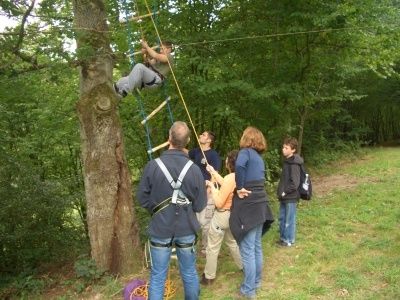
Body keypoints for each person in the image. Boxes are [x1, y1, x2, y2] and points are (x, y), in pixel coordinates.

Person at [136, 121, 207, 300]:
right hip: (186, 228)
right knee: (189, 273)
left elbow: (142, 199)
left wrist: (158, 211)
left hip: (160, 228)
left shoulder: (153, 166)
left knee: (158, 276)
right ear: (188, 140)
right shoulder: (195, 170)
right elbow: (199, 205)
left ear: (169, 138)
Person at [229, 126, 274, 299]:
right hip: (260, 201)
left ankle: (248, 290)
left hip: (249, 202)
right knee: (255, 246)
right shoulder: (258, 158)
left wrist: (239, 187)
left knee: (248, 249)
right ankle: (256, 282)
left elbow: (239, 165)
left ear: (246, 139)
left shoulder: (245, 153)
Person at [200, 150, 243, 285]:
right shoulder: (240, 176)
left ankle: (208, 277)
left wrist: (211, 186)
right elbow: (226, 184)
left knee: (212, 247)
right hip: (233, 216)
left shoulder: (231, 178)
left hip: (222, 217)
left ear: (229, 163)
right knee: (232, 242)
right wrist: (213, 171)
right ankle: (245, 267)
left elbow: (219, 203)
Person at [189, 131, 222, 254]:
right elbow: (185, 153)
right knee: (195, 219)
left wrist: (209, 189)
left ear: (209, 140)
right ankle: (193, 245)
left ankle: (205, 248)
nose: (200, 136)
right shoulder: (197, 151)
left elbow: (215, 173)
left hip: (207, 191)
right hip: (195, 191)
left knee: (206, 222)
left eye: (203, 135)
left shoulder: (213, 155)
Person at [276, 137, 303, 247]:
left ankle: (289, 240)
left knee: (289, 219)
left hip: (290, 196)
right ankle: (283, 238)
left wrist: (284, 192)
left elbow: (295, 183)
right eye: (283, 147)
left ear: (293, 150)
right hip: (284, 196)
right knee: (282, 218)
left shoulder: (294, 163)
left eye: (286, 148)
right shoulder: (287, 162)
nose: (283, 149)